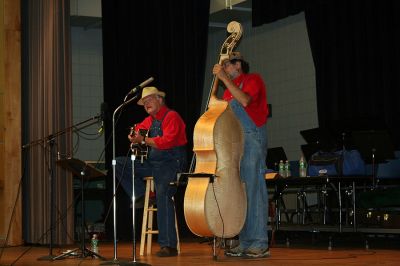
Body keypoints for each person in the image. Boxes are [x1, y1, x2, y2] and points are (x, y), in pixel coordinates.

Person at [115, 86, 187, 257]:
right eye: (144, 102)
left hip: (171, 163)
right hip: (154, 164)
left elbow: (166, 142)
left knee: (163, 194)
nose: (146, 104)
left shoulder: (172, 116)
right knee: (118, 163)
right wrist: (133, 136)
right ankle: (141, 195)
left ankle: (169, 246)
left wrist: (144, 139)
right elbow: (137, 130)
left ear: (160, 100)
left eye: (149, 100)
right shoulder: (149, 120)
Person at [212, 52, 270, 258]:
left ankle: (260, 242)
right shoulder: (228, 92)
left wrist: (224, 79)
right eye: (224, 66)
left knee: (254, 189)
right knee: (241, 193)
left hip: (253, 138)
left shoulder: (253, 79)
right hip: (236, 143)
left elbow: (245, 101)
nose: (225, 69)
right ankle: (245, 241)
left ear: (238, 65)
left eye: (227, 65)